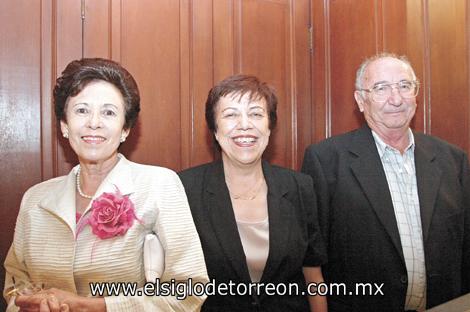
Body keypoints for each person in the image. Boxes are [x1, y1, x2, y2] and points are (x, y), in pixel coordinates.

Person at [3, 58, 208, 311]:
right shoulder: (35, 199)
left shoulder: (159, 185)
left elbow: (190, 289)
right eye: (81, 110)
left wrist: (94, 305)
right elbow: (15, 284)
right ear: (64, 125)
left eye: (108, 112)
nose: (94, 122)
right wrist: (27, 303)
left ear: (125, 129)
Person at [301, 53, 470, 311]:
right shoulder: (325, 160)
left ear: (416, 93)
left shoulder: (453, 160)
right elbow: (311, 257)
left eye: (405, 86)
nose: (396, 99)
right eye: (381, 88)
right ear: (361, 99)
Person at [178, 74, 327, 311]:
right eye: (230, 115)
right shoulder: (184, 188)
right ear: (214, 129)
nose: (245, 124)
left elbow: (313, 275)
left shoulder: (300, 187)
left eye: (256, 114)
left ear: (270, 127)